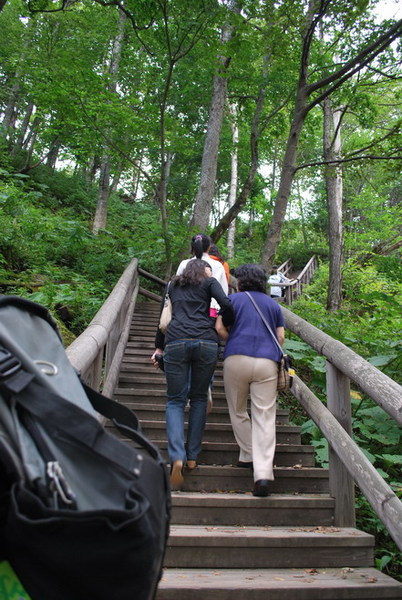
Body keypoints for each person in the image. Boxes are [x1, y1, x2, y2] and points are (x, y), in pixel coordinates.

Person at [151, 259, 234, 490]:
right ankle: (192, 457)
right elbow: (226, 304)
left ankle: (176, 455)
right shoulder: (209, 283)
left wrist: (158, 348)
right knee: (198, 398)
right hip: (206, 342)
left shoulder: (172, 285)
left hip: (176, 340)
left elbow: (162, 318)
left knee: (175, 401)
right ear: (203, 270)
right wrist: (221, 324)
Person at [215, 264, 285, 497]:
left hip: (237, 357)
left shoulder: (233, 301)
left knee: (237, 410)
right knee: (264, 415)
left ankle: (248, 454)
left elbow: (219, 328)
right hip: (267, 362)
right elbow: (280, 337)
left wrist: (233, 338)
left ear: (240, 281)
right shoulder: (273, 304)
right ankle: (263, 474)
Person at [176, 233, 228, 317]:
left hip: (185, 309)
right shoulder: (218, 266)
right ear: (209, 247)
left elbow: (176, 287)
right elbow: (224, 290)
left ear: (192, 247)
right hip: (211, 309)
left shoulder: (184, 264)